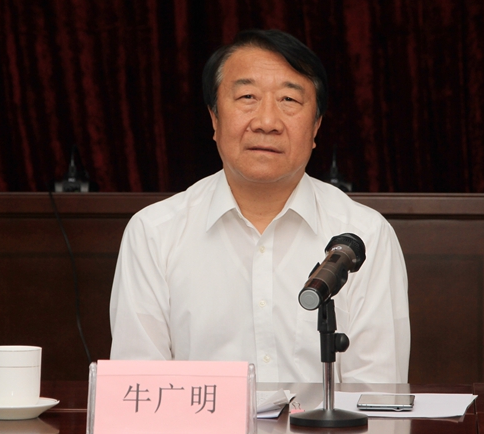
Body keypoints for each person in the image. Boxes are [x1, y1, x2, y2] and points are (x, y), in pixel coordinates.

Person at [109, 29, 410, 383]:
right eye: (247, 97)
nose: (267, 122)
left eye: (289, 100)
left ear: (316, 126)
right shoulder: (154, 233)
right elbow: (140, 389)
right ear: (214, 118)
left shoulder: (366, 235)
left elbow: (375, 395)